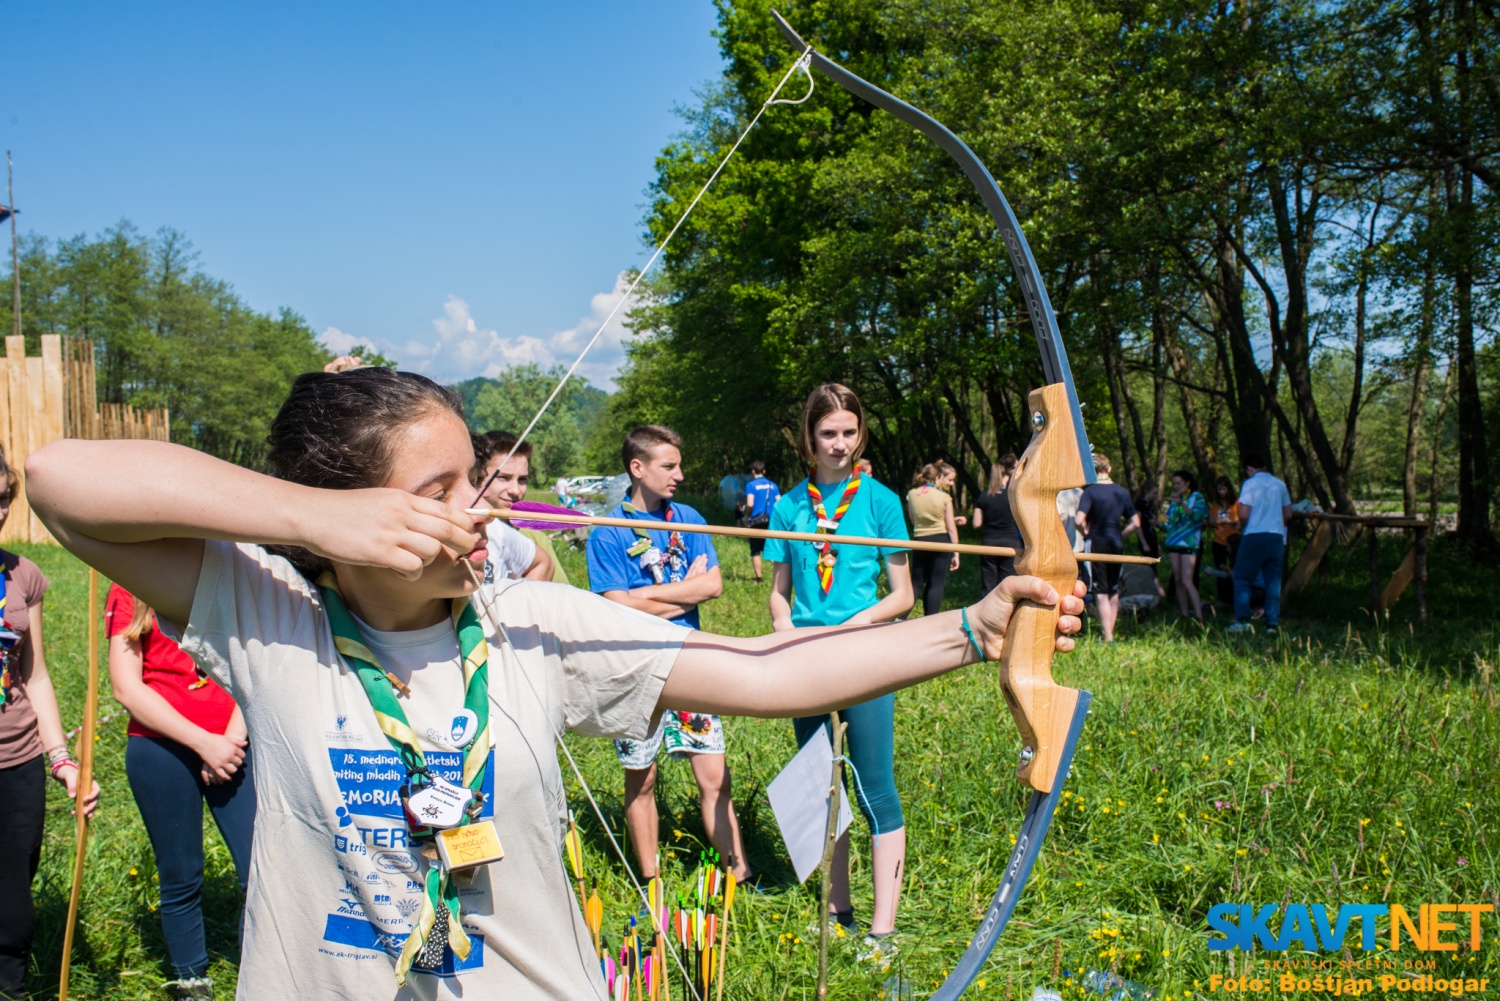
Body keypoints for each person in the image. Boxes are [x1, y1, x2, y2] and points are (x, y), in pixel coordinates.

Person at [23, 368, 1082, 999]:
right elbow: (62, 482)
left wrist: (979, 627)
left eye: (473, 481)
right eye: (438, 491)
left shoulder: (522, 619)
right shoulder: (272, 620)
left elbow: (772, 665)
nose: (480, 509)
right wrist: (312, 518)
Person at [765, 384, 915, 952]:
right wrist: (784, 626)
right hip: (808, 658)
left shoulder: (881, 502)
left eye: (850, 432)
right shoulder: (787, 506)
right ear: (809, 437)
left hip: (866, 656)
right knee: (820, 785)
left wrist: (856, 625)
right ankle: (837, 910)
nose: (840, 444)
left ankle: (883, 929)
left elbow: (901, 594)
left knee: (874, 786)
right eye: (828, 433)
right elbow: (780, 592)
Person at [584, 426, 753, 885]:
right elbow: (614, 608)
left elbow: (713, 585)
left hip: (690, 662)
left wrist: (647, 599)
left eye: (679, 465)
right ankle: (650, 880)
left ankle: (739, 872)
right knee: (642, 779)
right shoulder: (609, 532)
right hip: (635, 669)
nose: (679, 474)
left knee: (714, 775)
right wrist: (685, 594)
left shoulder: (691, 519)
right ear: (637, 469)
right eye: (669, 465)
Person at [107, 586, 256, 1000]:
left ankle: (258, 973)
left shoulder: (231, 579)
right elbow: (126, 687)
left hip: (235, 741)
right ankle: (192, 981)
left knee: (261, 866)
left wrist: (230, 739)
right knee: (180, 871)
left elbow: (257, 665)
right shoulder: (128, 589)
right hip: (161, 746)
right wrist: (202, 743)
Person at [0, 449, 100, 1001]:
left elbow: (35, 676)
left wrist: (62, 760)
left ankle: (10, 983)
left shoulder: (22, 575)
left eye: (2, 500)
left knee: (14, 892)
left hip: (16, 756)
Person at [471, 430, 567, 584]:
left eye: (522, 480)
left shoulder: (534, 537)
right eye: (503, 477)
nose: (515, 490)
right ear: (477, 477)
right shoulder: (464, 528)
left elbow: (562, 593)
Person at [1075, 453, 1140, 643]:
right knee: (1113, 590)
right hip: (1116, 543)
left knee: (1100, 591)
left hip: (1096, 543)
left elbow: (1078, 519)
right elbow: (1135, 522)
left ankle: (1108, 636)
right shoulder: (1122, 492)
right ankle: (1109, 633)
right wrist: (1121, 535)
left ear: (1093, 471)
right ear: (1109, 469)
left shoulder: (1090, 492)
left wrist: (1086, 531)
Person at [1228, 455, 1292, 636]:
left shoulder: (1250, 484)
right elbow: (1288, 514)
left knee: (1242, 577)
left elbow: (1244, 512)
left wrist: (1242, 523)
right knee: (1273, 581)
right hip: (1276, 536)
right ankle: (1271, 624)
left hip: (1254, 535)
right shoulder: (1279, 484)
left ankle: (1242, 620)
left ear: (1250, 469)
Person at [905, 462, 965, 617]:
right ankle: (930, 618)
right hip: (941, 541)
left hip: (920, 540)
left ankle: (901, 615)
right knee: (935, 583)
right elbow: (951, 528)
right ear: (938, 478)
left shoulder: (912, 494)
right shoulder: (945, 497)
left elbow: (913, 520)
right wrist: (956, 554)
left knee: (916, 582)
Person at [1162, 471, 1208, 623]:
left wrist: (1181, 504)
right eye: (1174, 484)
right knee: (1178, 580)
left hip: (1189, 543)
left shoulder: (1197, 497)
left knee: (1187, 581)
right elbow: (1169, 522)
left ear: (1187, 483)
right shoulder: (1175, 501)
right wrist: (1160, 523)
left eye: (1178, 483)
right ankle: (1184, 615)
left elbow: (1198, 517)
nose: (1176, 487)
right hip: (1174, 542)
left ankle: (1199, 616)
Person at [972, 455, 1022, 593]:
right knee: (1009, 583)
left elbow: (976, 523)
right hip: (1011, 543)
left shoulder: (983, 497)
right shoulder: (1013, 496)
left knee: (988, 584)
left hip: (989, 543)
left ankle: (986, 614)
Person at [742, 461, 781, 584]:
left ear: (753, 471)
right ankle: (781, 577)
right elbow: (780, 502)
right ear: (764, 471)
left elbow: (750, 503)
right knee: (771, 549)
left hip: (756, 522)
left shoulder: (751, 485)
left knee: (756, 550)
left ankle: (759, 579)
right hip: (771, 521)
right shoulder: (772, 485)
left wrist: (746, 516)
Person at [1207, 476, 1241, 608]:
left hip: (1233, 540)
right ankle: (1222, 597)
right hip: (1218, 541)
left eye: (1224, 489)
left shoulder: (1236, 502)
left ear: (1229, 489)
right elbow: (1210, 520)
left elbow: (1241, 522)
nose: (1221, 492)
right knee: (1220, 569)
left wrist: (1229, 522)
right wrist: (1212, 521)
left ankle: (1236, 596)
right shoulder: (1216, 504)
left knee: (1234, 568)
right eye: (1219, 489)